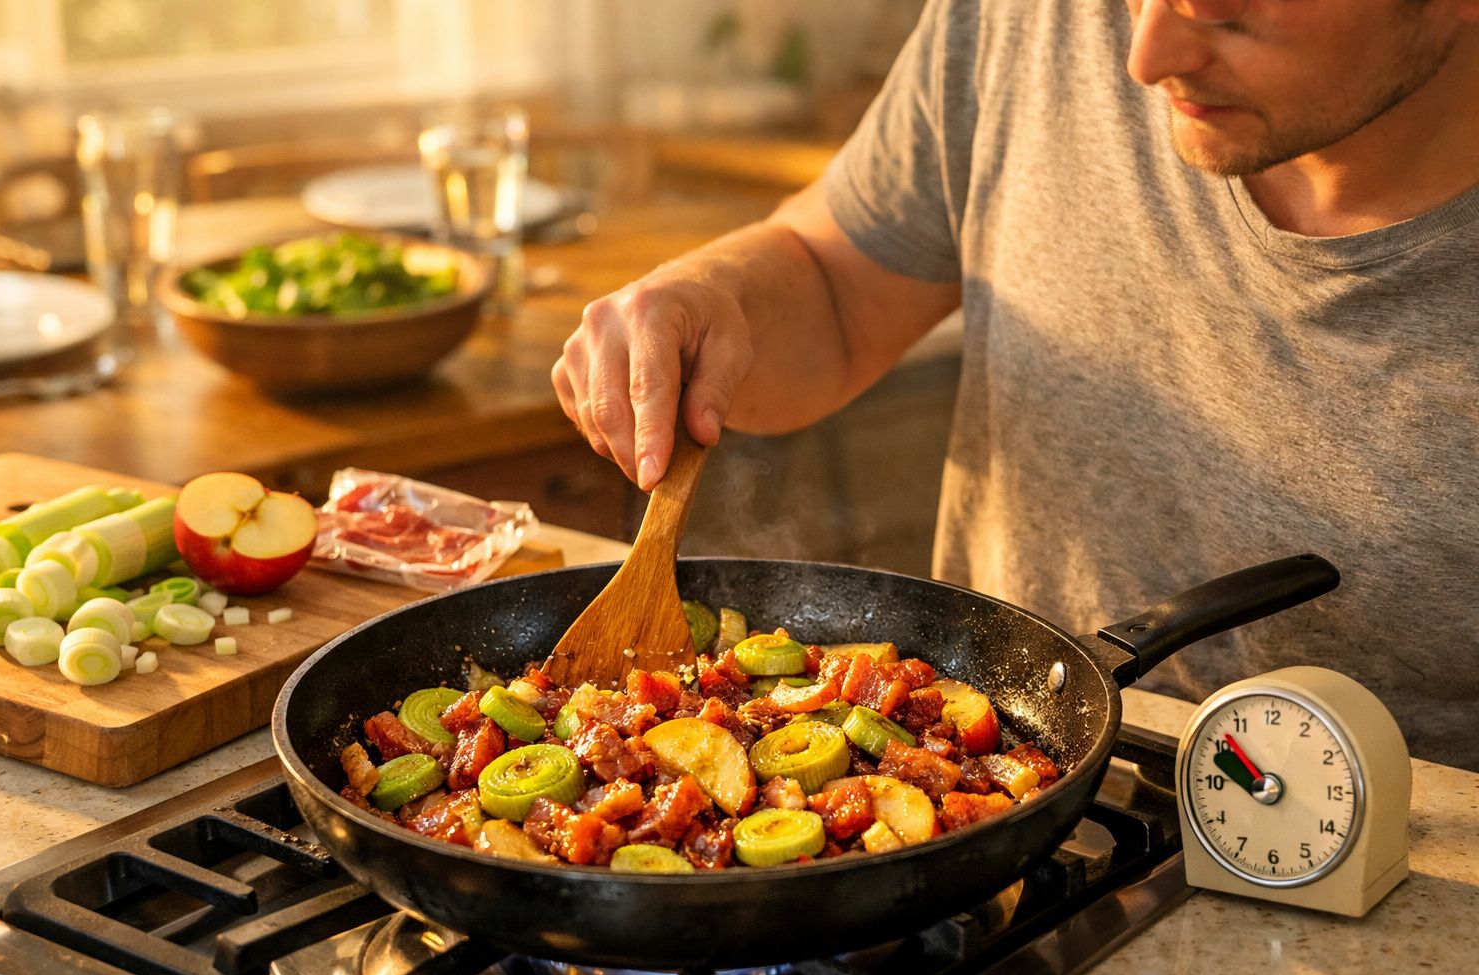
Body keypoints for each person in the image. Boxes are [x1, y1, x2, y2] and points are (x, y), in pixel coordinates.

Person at [551, 0, 1479, 770]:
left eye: (1229, 13)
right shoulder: (1031, 18)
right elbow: (834, 283)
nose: (1145, 56)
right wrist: (715, 294)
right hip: (996, 773)